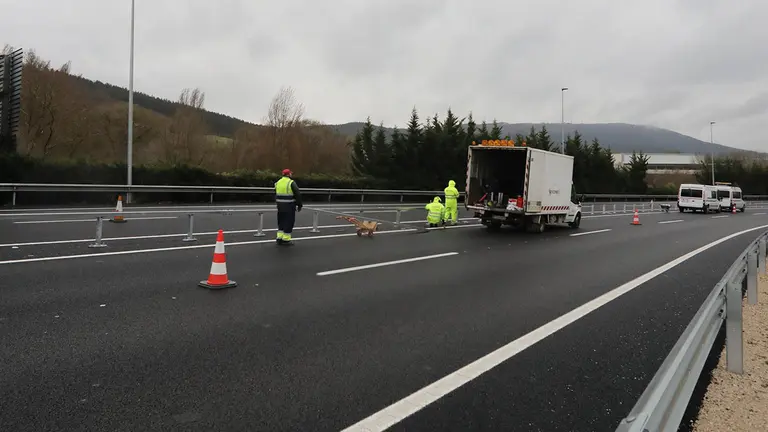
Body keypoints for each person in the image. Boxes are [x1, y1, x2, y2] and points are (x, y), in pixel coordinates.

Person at [274, 169, 302, 245]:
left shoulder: (278, 182)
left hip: (280, 206)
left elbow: (276, 193)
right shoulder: (291, 182)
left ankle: (279, 237)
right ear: (288, 174)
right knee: (289, 222)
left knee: (281, 221)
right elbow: (297, 194)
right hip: (289, 205)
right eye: (290, 173)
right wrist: (299, 204)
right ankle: (286, 239)